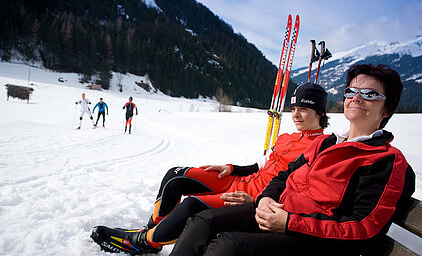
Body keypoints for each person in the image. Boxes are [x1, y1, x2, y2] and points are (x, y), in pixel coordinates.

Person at [169, 64, 416, 256]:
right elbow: (284, 175)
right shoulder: (326, 142)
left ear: (387, 110)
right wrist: (266, 198)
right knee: (203, 221)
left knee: (228, 247)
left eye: (370, 94)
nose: (357, 98)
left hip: (319, 243)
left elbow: (363, 228)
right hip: (281, 218)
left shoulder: (386, 160)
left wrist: (290, 223)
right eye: (351, 91)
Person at [90, 83, 329, 254]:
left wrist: (256, 201)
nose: (296, 114)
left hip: (253, 196)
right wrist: (232, 167)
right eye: (294, 108)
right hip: (241, 180)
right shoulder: (286, 136)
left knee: (193, 204)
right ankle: (153, 230)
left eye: (304, 109)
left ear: (320, 112)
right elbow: (261, 165)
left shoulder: (321, 147)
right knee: (176, 176)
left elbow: (300, 190)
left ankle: (144, 242)